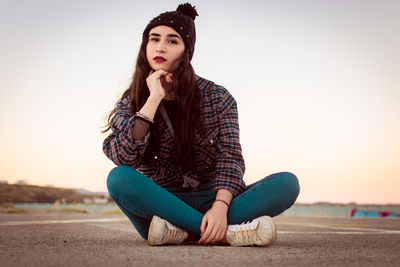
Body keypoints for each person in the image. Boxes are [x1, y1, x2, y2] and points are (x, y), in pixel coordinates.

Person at [102, 3, 300, 247]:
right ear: (145, 46)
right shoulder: (132, 101)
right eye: (154, 39)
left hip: (214, 197)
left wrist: (219, 207)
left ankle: (182, 231)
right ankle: (228, 233)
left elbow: (230, 157)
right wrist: (153, 99)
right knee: (119, 178)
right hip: (165, 201)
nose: (160, 47)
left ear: (186, 51)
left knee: (287, 184)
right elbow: (124, 157)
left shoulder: (218, 97)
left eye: (172, 41)